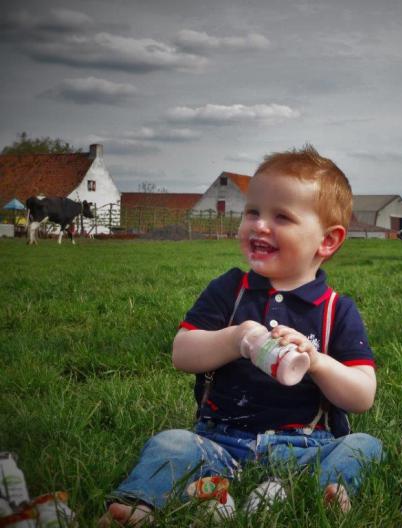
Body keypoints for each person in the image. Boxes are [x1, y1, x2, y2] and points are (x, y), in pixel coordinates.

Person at [99, 145, 381, 526]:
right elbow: (182, 353)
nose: (259, 225)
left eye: (281, 216)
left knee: (365, 446)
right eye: (253, 212)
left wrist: (316, 361)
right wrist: (235, 339)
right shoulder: (230, 290)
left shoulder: (336, 309)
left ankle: (329, 491)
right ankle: (137, 505)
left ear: (327, 241)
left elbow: (362, 395)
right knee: (171, 443)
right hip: (218, 440)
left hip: (305, 446)